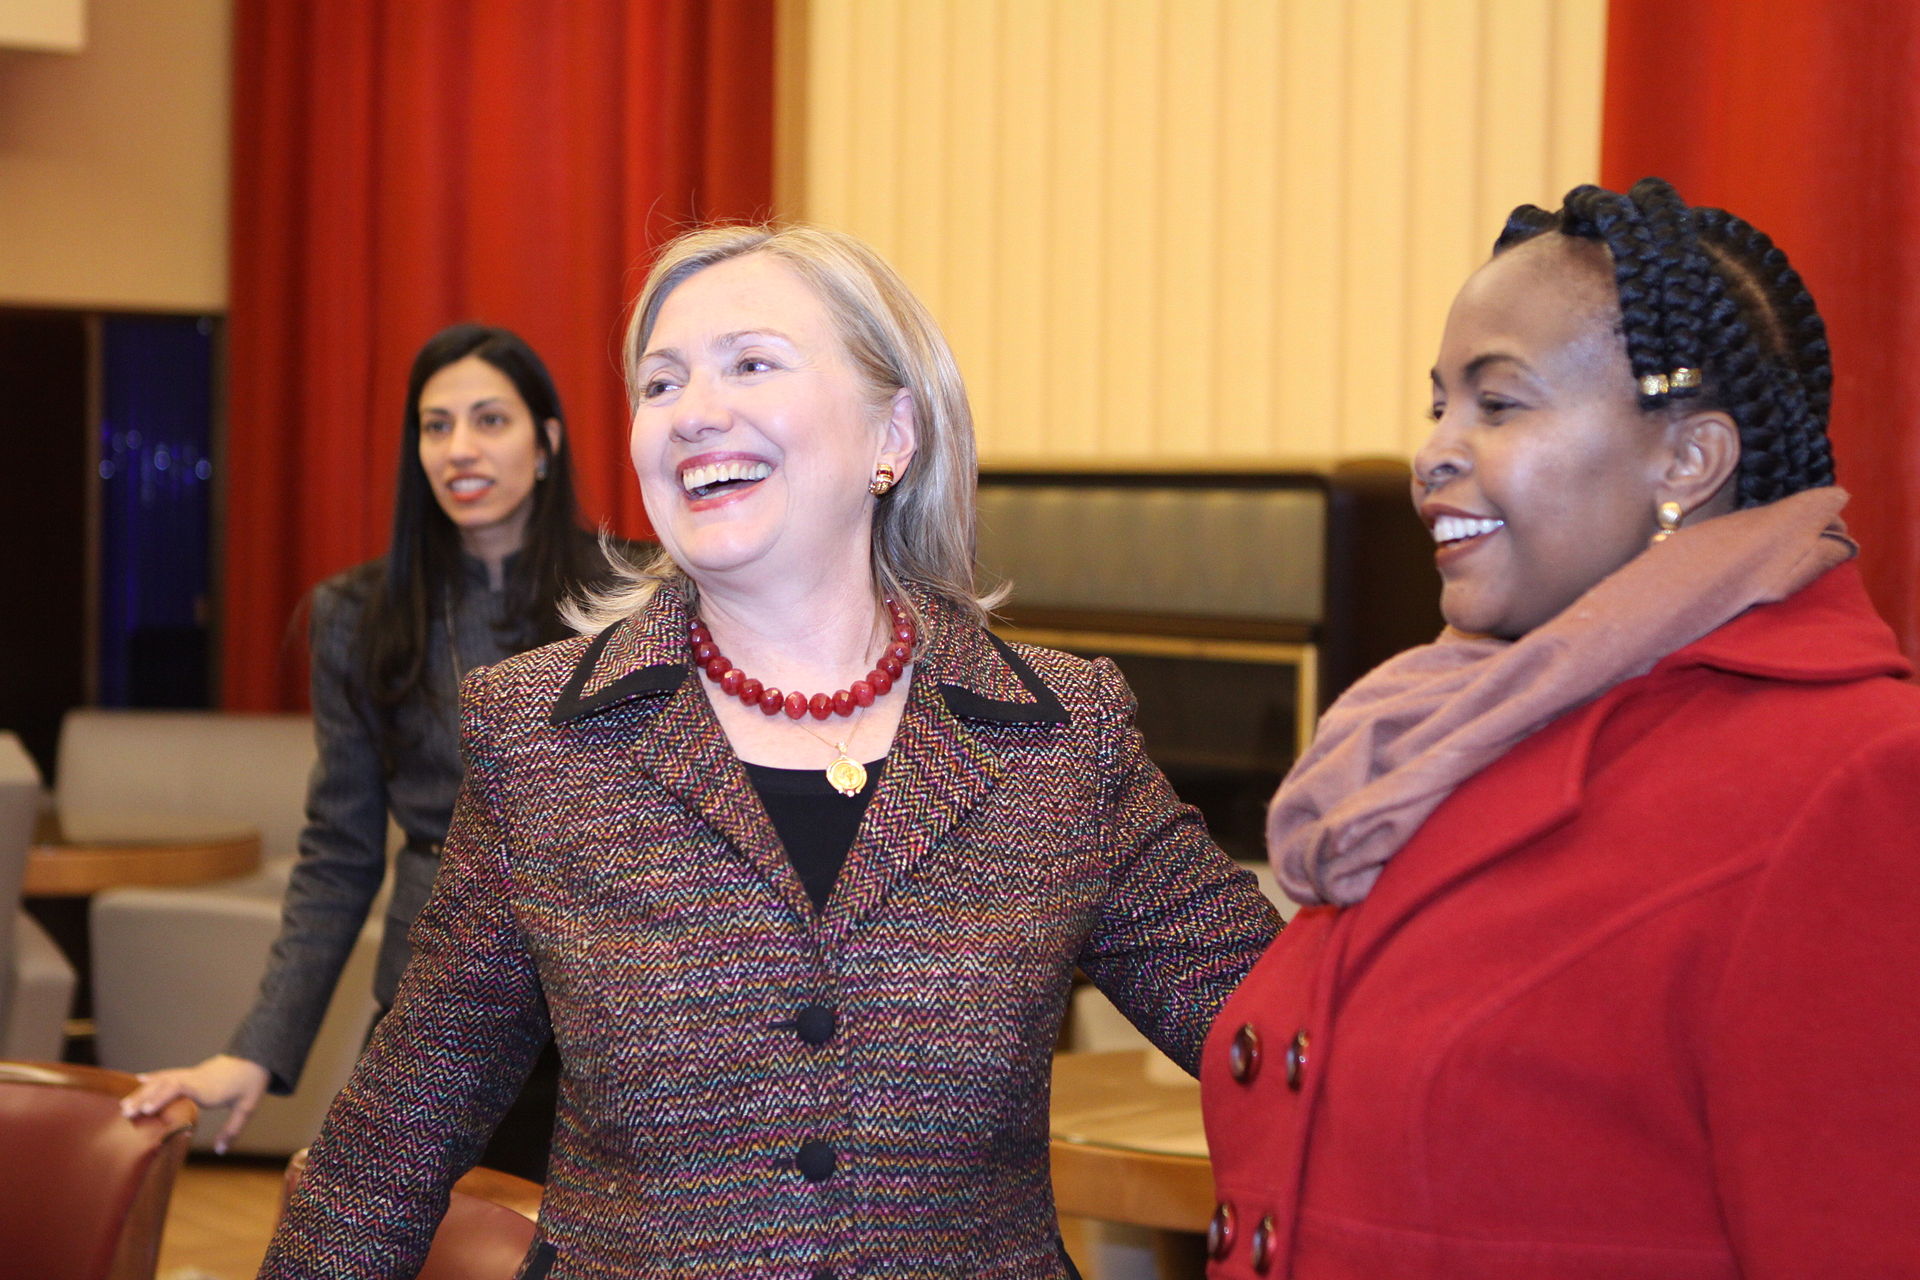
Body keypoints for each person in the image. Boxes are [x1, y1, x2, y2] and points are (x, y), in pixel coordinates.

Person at [259, 225, 1280, 1279]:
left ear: (895, 430)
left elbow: (1287, 1037)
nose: (694, 412)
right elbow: (395, 1138)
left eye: (751, 362)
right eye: (661, 383)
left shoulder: (1059, 735)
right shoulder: (545, 739)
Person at [1200, 177, 1920, 1279]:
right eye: (1437, 403)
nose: (1433, 453)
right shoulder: (1447, 724)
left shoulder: (1856, 777)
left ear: (1688, 460)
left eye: (1499, 404)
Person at [122, 324, 615, 1180]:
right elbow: (339, 856)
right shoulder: (357, 616)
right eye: (435, 425)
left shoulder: (629, 597)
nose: (460, 448)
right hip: (436, 994)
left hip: (607, 992)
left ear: (547, 443)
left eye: (490, 420)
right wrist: (258, 1049)